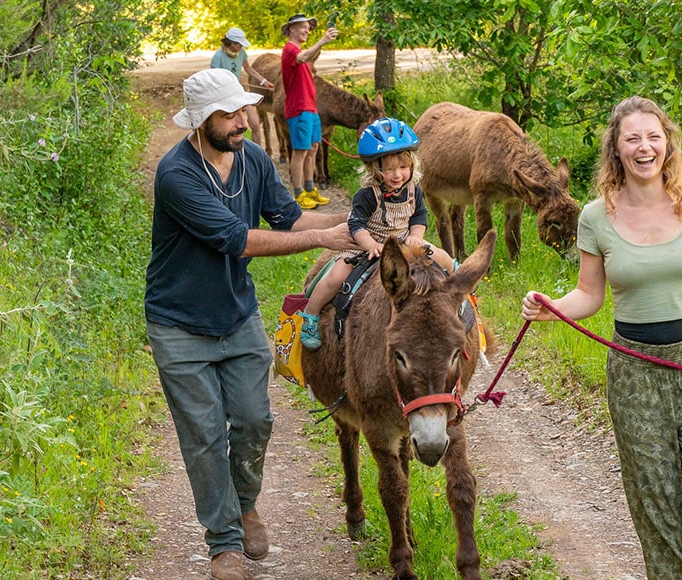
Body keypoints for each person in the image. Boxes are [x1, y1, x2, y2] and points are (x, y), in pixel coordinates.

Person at [521, 96, 682, 580]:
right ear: (616, 149)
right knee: (659, 504)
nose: (644, 147)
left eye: (653, 136)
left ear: (668, 142)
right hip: (635, 373)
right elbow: (589, 294)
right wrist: (551, 308)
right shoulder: (595, 217)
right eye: (632, 138)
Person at [144, 68, 358, 580]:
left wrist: (348, 227)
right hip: (179, 324)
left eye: (244, 110)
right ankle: (224, 545)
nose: (245, 121)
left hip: (236, 315)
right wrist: (323, 242)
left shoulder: (253, 158)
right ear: (200, 121)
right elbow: (239, 240)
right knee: (203, 433)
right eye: (231, 113)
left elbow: (286, 217)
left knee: (255, 420)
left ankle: (244, 504)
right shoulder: (177, 174)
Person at [298, 117, 454, 349]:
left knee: (442, 257)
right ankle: (311, 315)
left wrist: (416, 236)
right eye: (390, 169)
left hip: (404, 242)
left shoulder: (414, 190)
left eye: (403, 167)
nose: (398, 175)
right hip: (368, 244)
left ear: (412, 166)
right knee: (337, 275)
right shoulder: (367, 195)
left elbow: (419, 217)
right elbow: (357, 225)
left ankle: (460, 290)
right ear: (376, 169)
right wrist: (370, 244)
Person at [280, 13, 337, 210]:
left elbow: (309, 56)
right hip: (299, 109)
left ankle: (310, 189)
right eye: (303, 26)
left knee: (313, 148)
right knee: (300, 151)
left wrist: (322, 44)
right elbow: (303, 57)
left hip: (311, 109)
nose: (307, 30)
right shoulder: (290, 50)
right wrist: (323, 40)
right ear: (291, 29)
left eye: (308, 27)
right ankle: (298, 194)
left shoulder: (302, 52)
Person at [210, 27, 274, 148]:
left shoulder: (241, 53)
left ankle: (257, 153)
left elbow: (249, 69)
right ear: (230, 43)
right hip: (224, 95)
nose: (240, 47)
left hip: (239, 92)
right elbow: (214, 78)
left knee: (255, 124)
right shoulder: (218, 56)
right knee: (230, 126)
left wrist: (264, 81)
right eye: (238, 44)